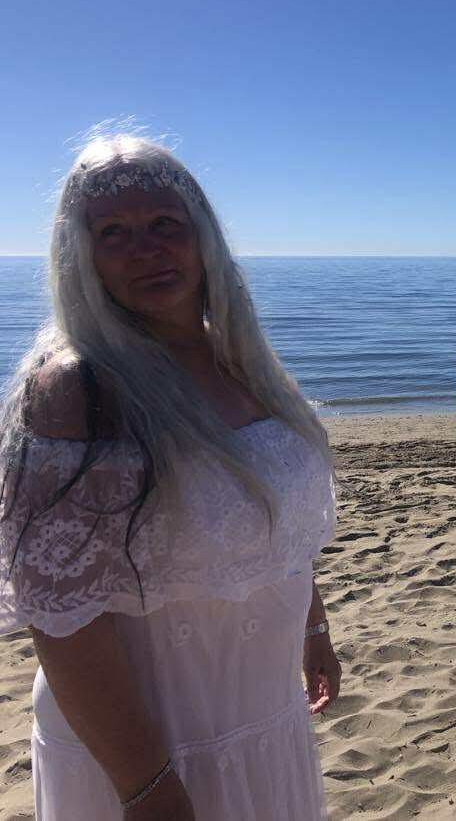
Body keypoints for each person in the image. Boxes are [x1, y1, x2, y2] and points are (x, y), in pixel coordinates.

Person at [0, 135, 341, 820]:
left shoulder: (238, 358)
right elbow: (65, 620)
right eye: (114, 233)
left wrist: (313, 630)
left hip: (261, 707)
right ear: (81, 254)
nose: (146, 250)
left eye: (164, 226)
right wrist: (146, 787)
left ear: (202, 237)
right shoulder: (78, 387)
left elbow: (278, 524)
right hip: (154, 744)